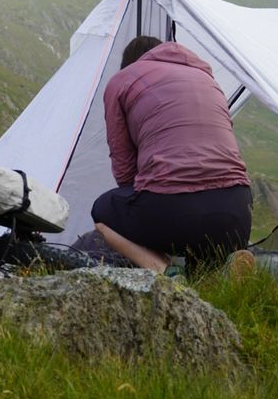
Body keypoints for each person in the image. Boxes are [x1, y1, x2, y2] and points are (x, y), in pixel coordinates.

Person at [91, 35, 255, 276]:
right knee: (201, 259)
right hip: (237, 212)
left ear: (129, 64)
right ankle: (221, 269)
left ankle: (167, 272)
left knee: (102, 211)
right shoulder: (206, 78)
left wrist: (144, 198)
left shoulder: (122, 80)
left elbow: (124, 167)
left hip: (173, 211)